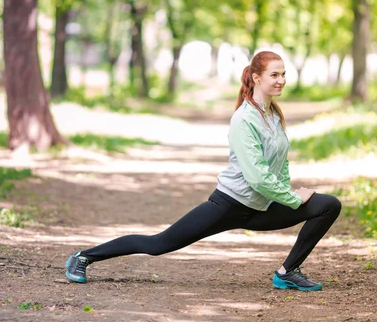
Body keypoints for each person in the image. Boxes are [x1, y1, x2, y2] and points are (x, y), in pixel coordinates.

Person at [65, 50, 342, 291]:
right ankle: (84, 257)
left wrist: (287, 191)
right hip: (230, 204)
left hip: (264, 207)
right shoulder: (244, 119)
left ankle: (287, 273)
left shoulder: (274, 115)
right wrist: (293, 199)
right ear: (257, 78)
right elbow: (256, 176)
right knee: (158, 244)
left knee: (328, 205)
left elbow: (281, 163)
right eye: (274, 75)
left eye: (283, 74)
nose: (281, 80)